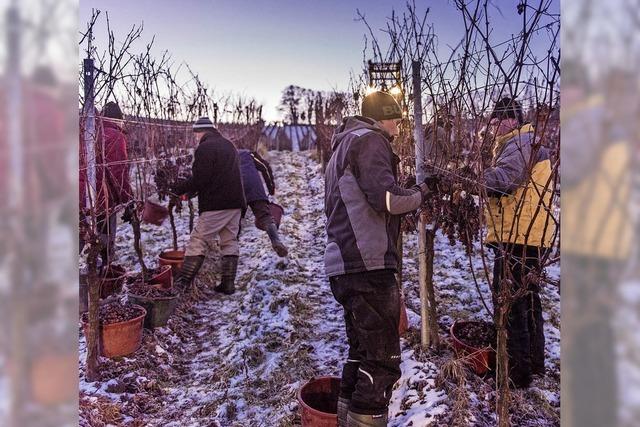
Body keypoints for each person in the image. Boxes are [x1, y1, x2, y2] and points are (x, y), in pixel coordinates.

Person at [324, 91, 434, 427]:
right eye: (396, 118)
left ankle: (345, 420)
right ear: (382, 116)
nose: (400, 126)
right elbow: (387, 199)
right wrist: (423, 192)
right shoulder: (370, 141)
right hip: (367, 264)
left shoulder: (344, 143)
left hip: (346, 263)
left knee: (362, 353)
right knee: (383, 361)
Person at [482, 97, 557, 388]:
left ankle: (514, 375)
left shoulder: (521, 143)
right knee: (527, 300)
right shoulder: (525, 142)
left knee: (510, 304)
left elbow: (503, 180)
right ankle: (533, 364)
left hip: (519, 237)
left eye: (498, 121)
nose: (494, 127)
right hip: (530, 235)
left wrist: (473, 177)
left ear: (511, 120)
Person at [172, 117, 246, 295]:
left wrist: (179, 188)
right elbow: (217, 176)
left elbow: (201, 179)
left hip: (216, 204)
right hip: (235, 202)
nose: (195, 137)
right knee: (229, 241)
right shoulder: (229, 145)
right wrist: (191, 193)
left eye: (196, 133)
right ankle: (228, 284)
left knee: (198, 240)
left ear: (200, 132)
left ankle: (181, 286)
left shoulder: (205, 148)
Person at [93, 101, 133, 265]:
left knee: (86, 234)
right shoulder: (115, 135)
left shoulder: (91, 132)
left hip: (87, 194)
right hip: (104, 195)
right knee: (105, 232)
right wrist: (127, 199)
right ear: (119, 118)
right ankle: (105, 271)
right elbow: (118, 171)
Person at [237, 148, 288, 257]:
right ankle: (276, 241)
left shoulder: (225, 155)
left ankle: (231, 251)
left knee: (234, 220)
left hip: (235, 187)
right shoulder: (248, 154)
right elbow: (265, 167)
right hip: (253, 186)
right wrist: (271, 188)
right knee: (265, 216)